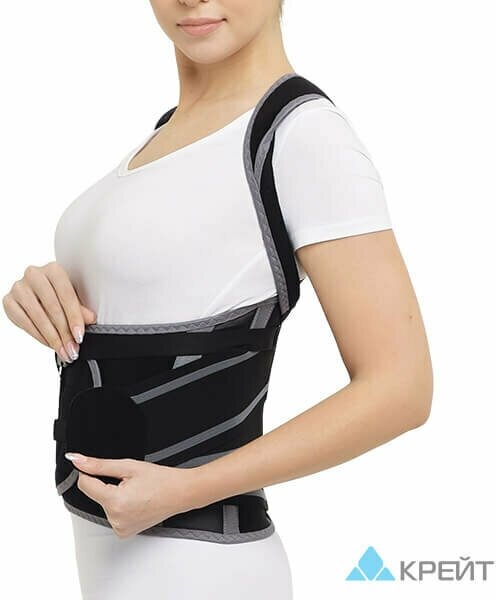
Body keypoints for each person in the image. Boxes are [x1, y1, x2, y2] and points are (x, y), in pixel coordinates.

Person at [2, 0, 433, 598]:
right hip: (111, 568)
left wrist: (189, 488)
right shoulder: (166, 135)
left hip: (204, 568)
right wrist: (39, 295)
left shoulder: (303, 135)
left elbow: (402, 389)